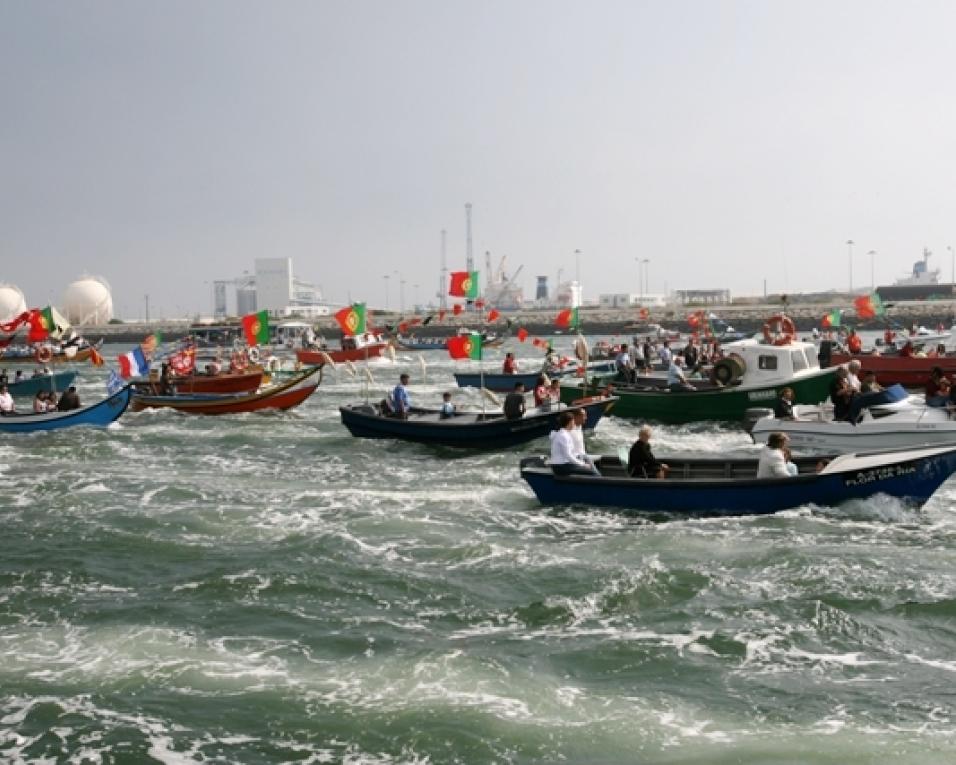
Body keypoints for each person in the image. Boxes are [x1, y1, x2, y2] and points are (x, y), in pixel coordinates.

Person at [549, 410, 600, 476]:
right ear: (570, 422)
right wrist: (583, 464)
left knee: (589, 467)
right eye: (573, 421)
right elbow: (568, 455)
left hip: (565, 464)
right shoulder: (563, 435)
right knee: (591, 472)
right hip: (561, 466)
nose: (574, 423)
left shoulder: (564, 434)